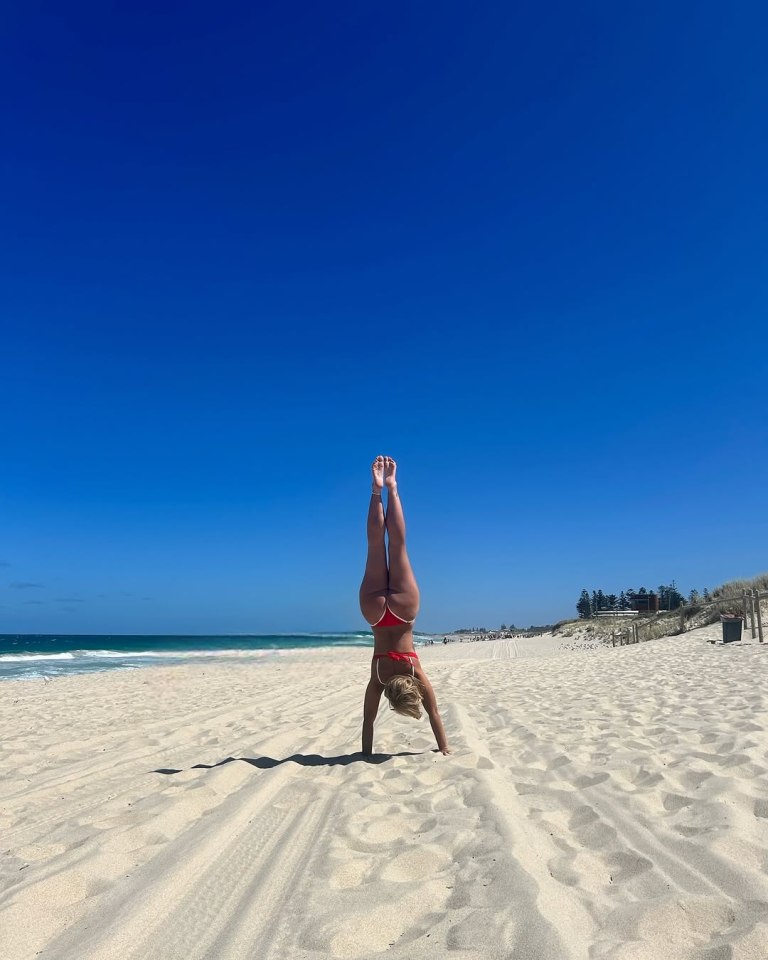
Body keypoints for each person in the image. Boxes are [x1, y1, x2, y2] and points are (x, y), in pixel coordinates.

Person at [359, 455, 450, 756]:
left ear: (412, 690)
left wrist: (445, 746)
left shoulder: (415, 671)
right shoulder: (379, 678)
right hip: (374, 612)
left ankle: (391, 488)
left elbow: (434, 713)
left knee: (396, 545)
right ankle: (376, 491)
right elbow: (368, 722)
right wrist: (366, 754)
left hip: (403, 610)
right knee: (375, 547)